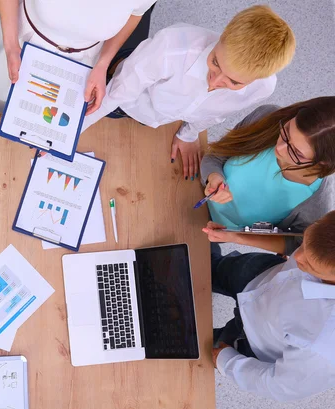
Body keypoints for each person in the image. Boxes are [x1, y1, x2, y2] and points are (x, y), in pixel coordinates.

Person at [81, 5, 296, 180]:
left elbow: (216, 114)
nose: (215, 81)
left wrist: (189, 135)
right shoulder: (171, 46)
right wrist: (65, 140)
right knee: (131, 10)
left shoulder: (263, 87)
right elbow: (117, 94)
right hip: (121, 92)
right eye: (215, 62)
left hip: (150, 116)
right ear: (222, 37)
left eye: (233, 82)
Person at [211, 210, 335, 402]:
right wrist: (236, 236)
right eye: (304, 244)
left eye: (309, 265)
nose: (297, 256)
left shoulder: (326, 347)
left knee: (192, 343)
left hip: (251, 340)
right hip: (261, 274)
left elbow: (282, 386)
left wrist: (226, 361)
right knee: (213, 267)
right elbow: (293, 244)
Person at [0, 0, 157, 113]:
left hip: (82, 58)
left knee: (43, 114)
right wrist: (10, 46)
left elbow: (136, 13)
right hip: (25, 38)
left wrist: (103, 64)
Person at [201, 97, 335, 255]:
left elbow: (298, 245)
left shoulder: (316, 202)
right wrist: (214, 176)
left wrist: (237, 237)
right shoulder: (267, 116)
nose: (280, 147)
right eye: (286, 132)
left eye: (296, 152)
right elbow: (217, 154)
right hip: (192, 191)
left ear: (324, 162)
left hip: (213, 231)